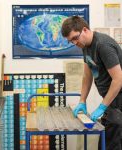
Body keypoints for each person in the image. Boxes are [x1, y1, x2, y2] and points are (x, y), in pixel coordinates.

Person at [61, 16, 122, 150]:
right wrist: (82, 101)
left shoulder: (103, 45)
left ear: (85, 30)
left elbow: (118, 79)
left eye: (75, 38)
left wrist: (102, 107)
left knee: (113, 144)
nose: (74, 43)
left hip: (119, 101)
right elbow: (87, 75)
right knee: (106, 143)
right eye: (71, 41)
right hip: (111, 101)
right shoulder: (85, 46)